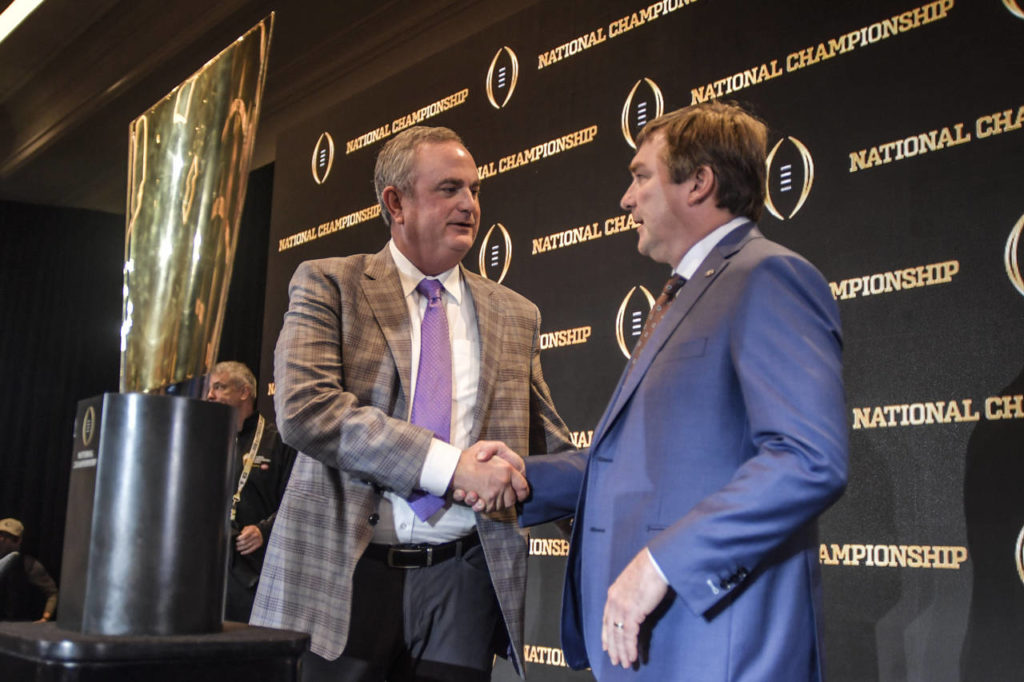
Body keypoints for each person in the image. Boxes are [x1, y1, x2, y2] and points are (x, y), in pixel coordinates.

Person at [500, 102, 847, 680]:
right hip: (657, 647)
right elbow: (634, 462)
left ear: (699, 182)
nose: (626, 199)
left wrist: (662, 564)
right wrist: (516, 479)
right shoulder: (688, 292)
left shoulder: (767, 276)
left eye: (641, 176)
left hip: (718, 648)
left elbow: (808, 460)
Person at [251, 125, 573, 681]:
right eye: (449, 189)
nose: (469, 204)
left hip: (463, 583)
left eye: (474, 190)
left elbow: (549, 442)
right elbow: (306, 410)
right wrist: (451, 468)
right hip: (343, 578)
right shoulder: (330, 285)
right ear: (395, 203)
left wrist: (623, 535)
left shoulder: (515, 313)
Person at [206, 360, 297, 622]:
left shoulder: (277, 441)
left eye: (219, 387)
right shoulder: (206, 439)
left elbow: (296, 501)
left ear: (244, 392)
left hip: (256, 569)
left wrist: (263, 531)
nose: (210, 395)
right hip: (211, 565)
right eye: (210, 388)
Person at [0, 517, 58, 622]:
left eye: (7, 537)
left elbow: (52, 593)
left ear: (18, 540)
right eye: (0, 535)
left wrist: (45, 618)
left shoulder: (30, 565)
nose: (2, 540)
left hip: (18, 624)